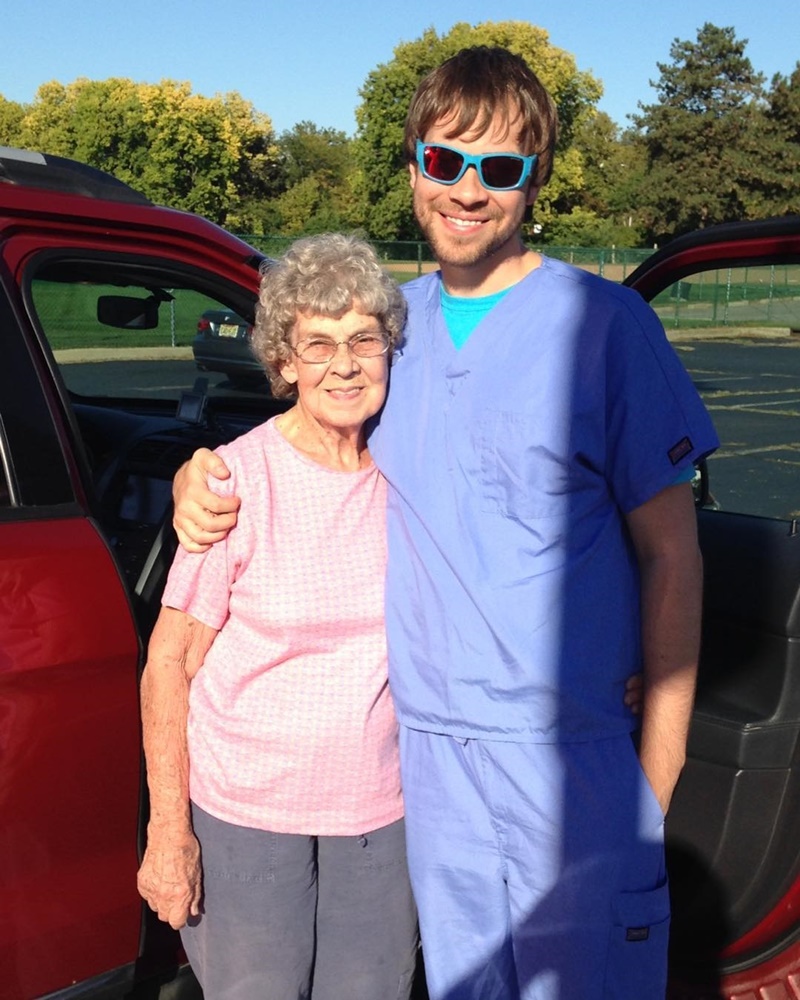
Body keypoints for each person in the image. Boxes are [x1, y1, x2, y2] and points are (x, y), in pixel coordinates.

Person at [171, 47, 718, 1000]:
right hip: (425, 761)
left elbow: (673, 553)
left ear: (534, 181)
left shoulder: (608, 325)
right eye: (445, 161)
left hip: (572, 757)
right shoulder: (393, 329)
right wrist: (199, 475)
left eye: (500, 167)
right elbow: (304, 438)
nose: (468, 190)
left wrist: (654, 778)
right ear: (414, 168)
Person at [136, 233, 419, 1000]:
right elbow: (169, 663)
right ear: (285, 363)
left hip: (381, 813)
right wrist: (169, 833)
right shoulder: (236, 482)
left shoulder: (410, 473)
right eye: (318, 344)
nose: (344, 364)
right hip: (249, 818)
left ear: (389, 349)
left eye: (364, 339)